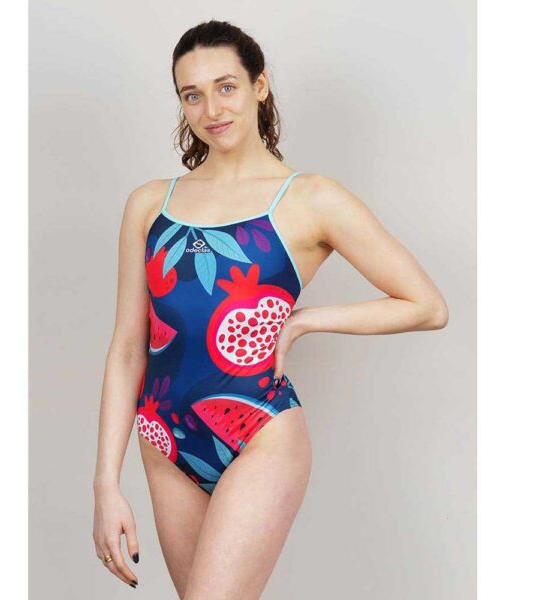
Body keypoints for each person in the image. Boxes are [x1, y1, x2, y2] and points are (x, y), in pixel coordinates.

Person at [92, 19, 449, 599]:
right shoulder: (150, 204)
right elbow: (128, 349)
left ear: (259, 85)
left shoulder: (310, 198)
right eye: (192, 94)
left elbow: (427, 305)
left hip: (261, 430)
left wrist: (307, 321)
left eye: (226, 86)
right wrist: (105, 486)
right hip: (163, 440)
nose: (212, 109)